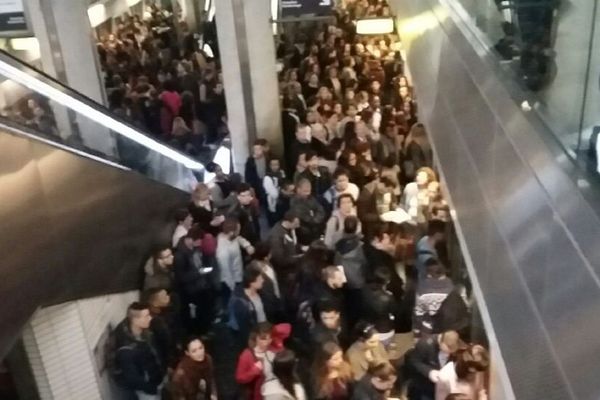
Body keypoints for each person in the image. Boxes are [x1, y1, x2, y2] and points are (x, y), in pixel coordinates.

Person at [113, 302, 166, 400]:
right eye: (146, 316)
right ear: (135, 320)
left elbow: (155, 353)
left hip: (158, 379)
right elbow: (133, 379)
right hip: (148, 391)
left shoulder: (146, 333)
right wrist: (152, 389)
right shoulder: (126, 350)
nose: (150, 318)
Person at [173, 227, 215, 334]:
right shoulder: (180, 256)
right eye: (198, 241)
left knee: (205, 309)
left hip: (202, 286)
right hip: (192, 292)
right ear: (191, 239)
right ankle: (200, 332)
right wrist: (198, 272)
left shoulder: (195, 249)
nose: (200, 243)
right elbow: (181, 277)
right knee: (197, 314)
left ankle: (206, 328)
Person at [406, 331, 461, 400]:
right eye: (447, 351)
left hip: (442, 388)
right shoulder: (424, 344)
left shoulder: (454, 349)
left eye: (450, 352)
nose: (448, 354)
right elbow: (413, 362)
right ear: (441, 342)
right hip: (423, 387)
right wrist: (429, 372)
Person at [216, 218, 254, 309]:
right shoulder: (222, 252)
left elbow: (239, 238)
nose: (239, 232)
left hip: (238, 274)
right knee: (233, 304)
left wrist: (247, 245)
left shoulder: (229, 236)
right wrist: (233, 288)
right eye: (238, 231)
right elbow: (226, 273)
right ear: (231, 232)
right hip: (231, 281)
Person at [228, 263, 268, 348]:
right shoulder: (241, 304)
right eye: (260, 278)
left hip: (263, 331)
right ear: (252, 282)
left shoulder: (259, 292)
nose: (263, 280)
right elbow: (245, 331)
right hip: (254, 340)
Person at [414, 259, 454, 338]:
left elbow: (419, 312)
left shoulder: (422, 289)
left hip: (428, 328)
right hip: (447, 330)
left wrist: (417, 331)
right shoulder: (453, 288)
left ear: (429, 275)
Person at [236, 322, 276, 400]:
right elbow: (240, 378)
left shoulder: (273, 350)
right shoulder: (246, 355)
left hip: (272, 393)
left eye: (270, 338)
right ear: (255, 337)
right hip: (256, 395)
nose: (267, 342)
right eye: (263, 338)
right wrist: (254, 370)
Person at [360, 267, 397, 348]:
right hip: (384, 329)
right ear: (387, 281)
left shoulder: (364, 289)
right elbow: (394, 311)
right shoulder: (387, 297)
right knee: (383, 349)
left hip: (369, 326)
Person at [252, 243, 284, 323]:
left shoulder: (268, 263)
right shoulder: (255, 269)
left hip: (275, 299)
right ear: (266, 257)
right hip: (267, 304)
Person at [290, 178, 326, 244]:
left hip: (316, 228)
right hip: (303, 231)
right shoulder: (294, 201)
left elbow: (320, 210)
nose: (308, 193)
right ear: (298, 190)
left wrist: (316, 219)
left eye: (309, 191)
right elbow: (304, 217)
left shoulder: (311, 198)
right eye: (305, 191)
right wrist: (314, 220)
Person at [263, 157, 287, 226]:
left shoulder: (281, 173)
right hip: (272, 201)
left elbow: (284, 184)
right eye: (273, 165)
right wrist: (281, 191)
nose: (275, 167)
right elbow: (274, 194)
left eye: (276, 164)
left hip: (282, 201)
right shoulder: (267, 177)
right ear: (269, 166)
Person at [246, 139, 269, 206]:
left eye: (259, 149)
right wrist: (250, 186)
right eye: (255, 149)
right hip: (257, 182)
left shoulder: (268, 158)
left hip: (266, 181)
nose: (257, 151)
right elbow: (248, 175)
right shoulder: (250, 160)